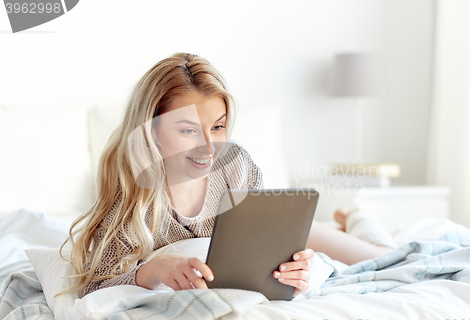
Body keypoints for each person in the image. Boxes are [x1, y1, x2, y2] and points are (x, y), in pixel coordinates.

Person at [58, 52, 397, 299]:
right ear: (152, 129)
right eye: (189, 130)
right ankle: (344, 222)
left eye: (218, 127)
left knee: (383, 257)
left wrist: (302, 268)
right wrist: (152, 271)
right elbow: (95, 284)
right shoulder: (130, 187)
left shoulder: (235, 164)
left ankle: (354, 216)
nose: (209, 147)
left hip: (300, 229)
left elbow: (270, 242)